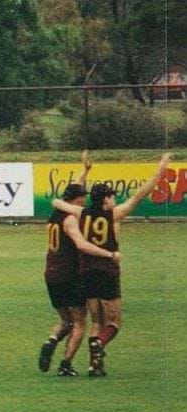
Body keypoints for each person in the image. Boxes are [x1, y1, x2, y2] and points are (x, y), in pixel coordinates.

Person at [51, 153, 170, 376]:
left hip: (86, 274)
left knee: (97, 320)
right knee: (114, 324)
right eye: (111, 196)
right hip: (107, 272)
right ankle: (99, 346)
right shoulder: (114, 215)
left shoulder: (81, 212)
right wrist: (161, 169)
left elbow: (58, 202)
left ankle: (94, 366)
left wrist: (72, 185)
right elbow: (140, 194)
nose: (114, 199)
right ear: (105, 199)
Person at [41, 181, 117, 376]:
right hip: (69, 275)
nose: (85, 201)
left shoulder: (54, 217)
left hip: (50, 274)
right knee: (80, 321)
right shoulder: (71, 220)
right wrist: (109, 255)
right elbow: (82, 245)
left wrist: (85, 171)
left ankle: (51, 340)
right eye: (82, 197)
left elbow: (66, 193)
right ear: (77, 199)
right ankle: (65, 364)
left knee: (66, 321)